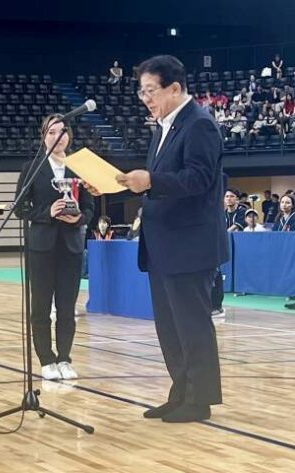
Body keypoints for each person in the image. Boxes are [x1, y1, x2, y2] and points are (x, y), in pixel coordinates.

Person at [101, 55, 227, 422]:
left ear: (174, 88)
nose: (145, 99)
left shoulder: (199, 124)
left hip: (189, 245)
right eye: (141, 92)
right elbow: (157, 183)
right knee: (170, 327)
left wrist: (151, 180)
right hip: (163, 244)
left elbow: (199, 179)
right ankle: (181, 391)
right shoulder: (162, 128)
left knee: (192, 325)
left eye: (150, 91)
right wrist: (117, 185)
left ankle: (199, 400)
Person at [15, 114, 95, 380]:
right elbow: (19, 208)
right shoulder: (32, 168)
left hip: (71, 247)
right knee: (40, 307)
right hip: (41, 247)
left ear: (69, 136)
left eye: (62, 131)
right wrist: (47, 212)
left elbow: (90, 207)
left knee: (66, 307)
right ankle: (46, 359)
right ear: (43, 136)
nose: (58, 137)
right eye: (52, 132)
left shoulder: (79, 168)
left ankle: (64, 358)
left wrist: (79, 218)